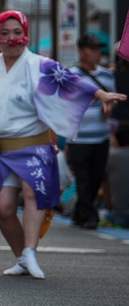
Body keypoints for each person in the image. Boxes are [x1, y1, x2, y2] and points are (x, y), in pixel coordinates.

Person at [0, 14, 125, 279]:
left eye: (16, 31)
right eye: (5, 32)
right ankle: (21, 256)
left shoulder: (38, 65)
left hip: (33, 145)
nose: (11, 38)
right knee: (5, 206)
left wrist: (100, 94)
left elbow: (71, 79)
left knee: (32, 194)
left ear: (26, 33)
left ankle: (31, 251)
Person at [65, 32, 115, 229]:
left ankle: (80, 212)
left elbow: (112, 99)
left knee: (96, 177)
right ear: (81, 52)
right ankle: (90, 216)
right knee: (83, 178)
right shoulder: (71, 75)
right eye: (91, 49)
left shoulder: (107, 75)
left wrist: (109, 107)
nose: (96, 53)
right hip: (79, 137)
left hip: (101, 136)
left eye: (98, 49)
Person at [100, 121, 129, 228]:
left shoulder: (110, 156)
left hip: (120, 216)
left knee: (102, 214)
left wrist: (109, 206)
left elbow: (105, 190)